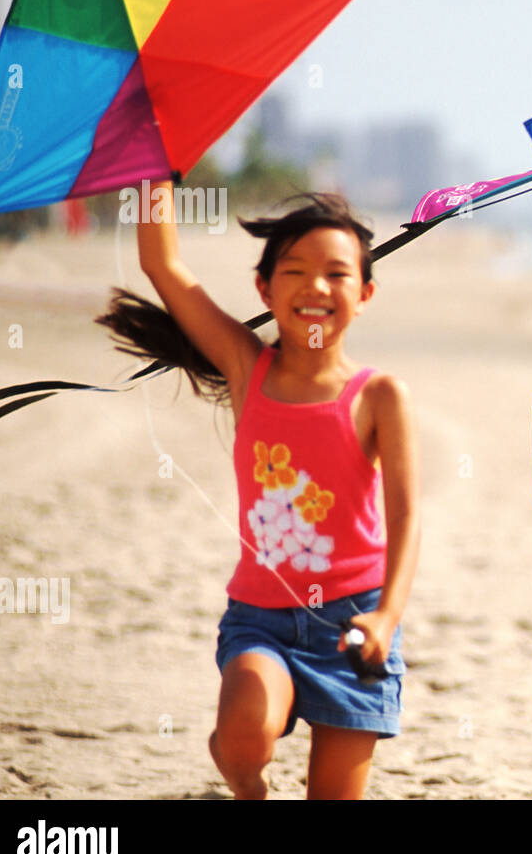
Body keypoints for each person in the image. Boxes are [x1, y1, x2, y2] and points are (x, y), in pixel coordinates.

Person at [98, 182, 420, 799]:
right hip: (261, 621)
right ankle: (250, 784)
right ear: (264, 289)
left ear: (365, 293)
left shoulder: (380, 396)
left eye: (336, 273)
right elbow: (161, 264)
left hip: (352, 625)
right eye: (294, 271)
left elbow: (405, 516)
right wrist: (155, 171)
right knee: (244, 729)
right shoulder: (249, 368)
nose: (315, 287)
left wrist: (387, 615)